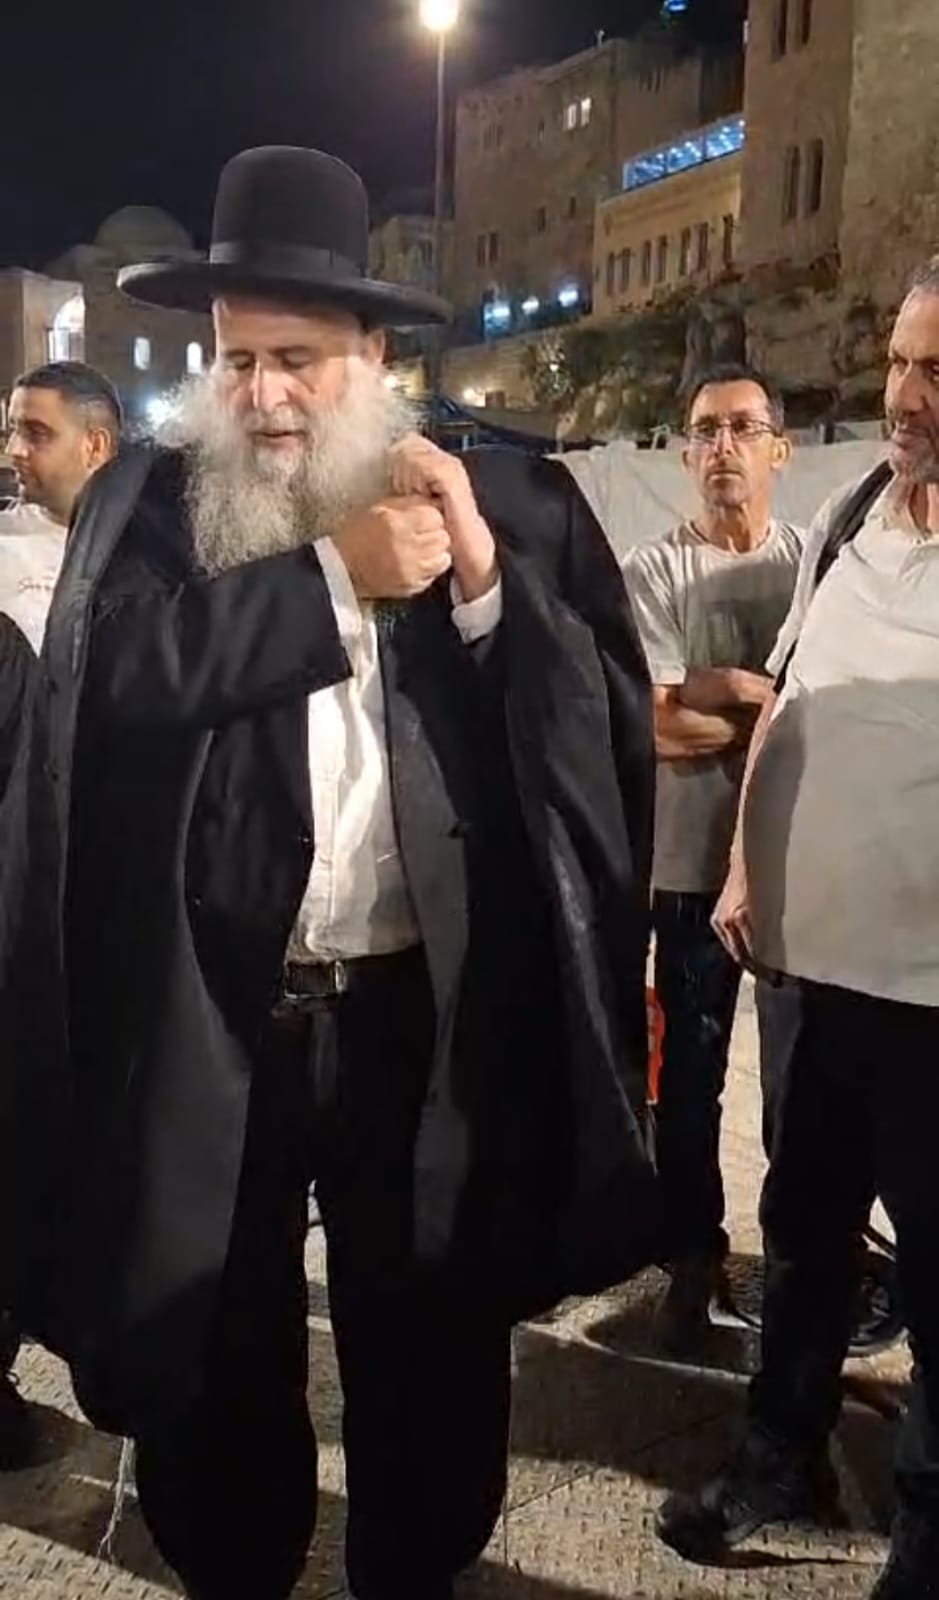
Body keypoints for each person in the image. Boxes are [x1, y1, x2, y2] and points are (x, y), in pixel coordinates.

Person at [0, 146, 659, 1600]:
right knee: (220, 1345)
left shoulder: (508, 504)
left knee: (427, 1337)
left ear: (374, 357)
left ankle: (412, 1566)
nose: (262, 395)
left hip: (413, 1023)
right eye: (237, 360)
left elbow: (590, 736)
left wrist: (478, 588)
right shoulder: (151, 508)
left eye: (295, 358)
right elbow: (115, 681)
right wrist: (327, 578)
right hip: (221, 1020)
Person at [657, 259, 939, 1599]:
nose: (905, 394)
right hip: (812, 975)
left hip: (931, 995)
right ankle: (780, 1457)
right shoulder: (850, 515)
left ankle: (926, 1530)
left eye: (936, 371)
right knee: (804, 1234)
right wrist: (742, 868)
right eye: (899, 361)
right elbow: (787, 699)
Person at [622, 365, 801, 1351]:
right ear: (685, 453)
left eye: (741, 427)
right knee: (687, 1079)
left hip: (797, 869)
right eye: (703, 430)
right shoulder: (653, 571)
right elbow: (652, 724)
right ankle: (690, 1257)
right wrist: (759, 700)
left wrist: (713, 693)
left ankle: (803, 1261)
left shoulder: (813, 563)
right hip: (688, 870)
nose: (721, 447)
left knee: (803, 1084)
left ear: (780, 447)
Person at [0, 359, 122, 1468]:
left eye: (33, 433)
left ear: (98, 443)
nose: (13, 454)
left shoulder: (150, 562)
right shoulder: (10, 572)